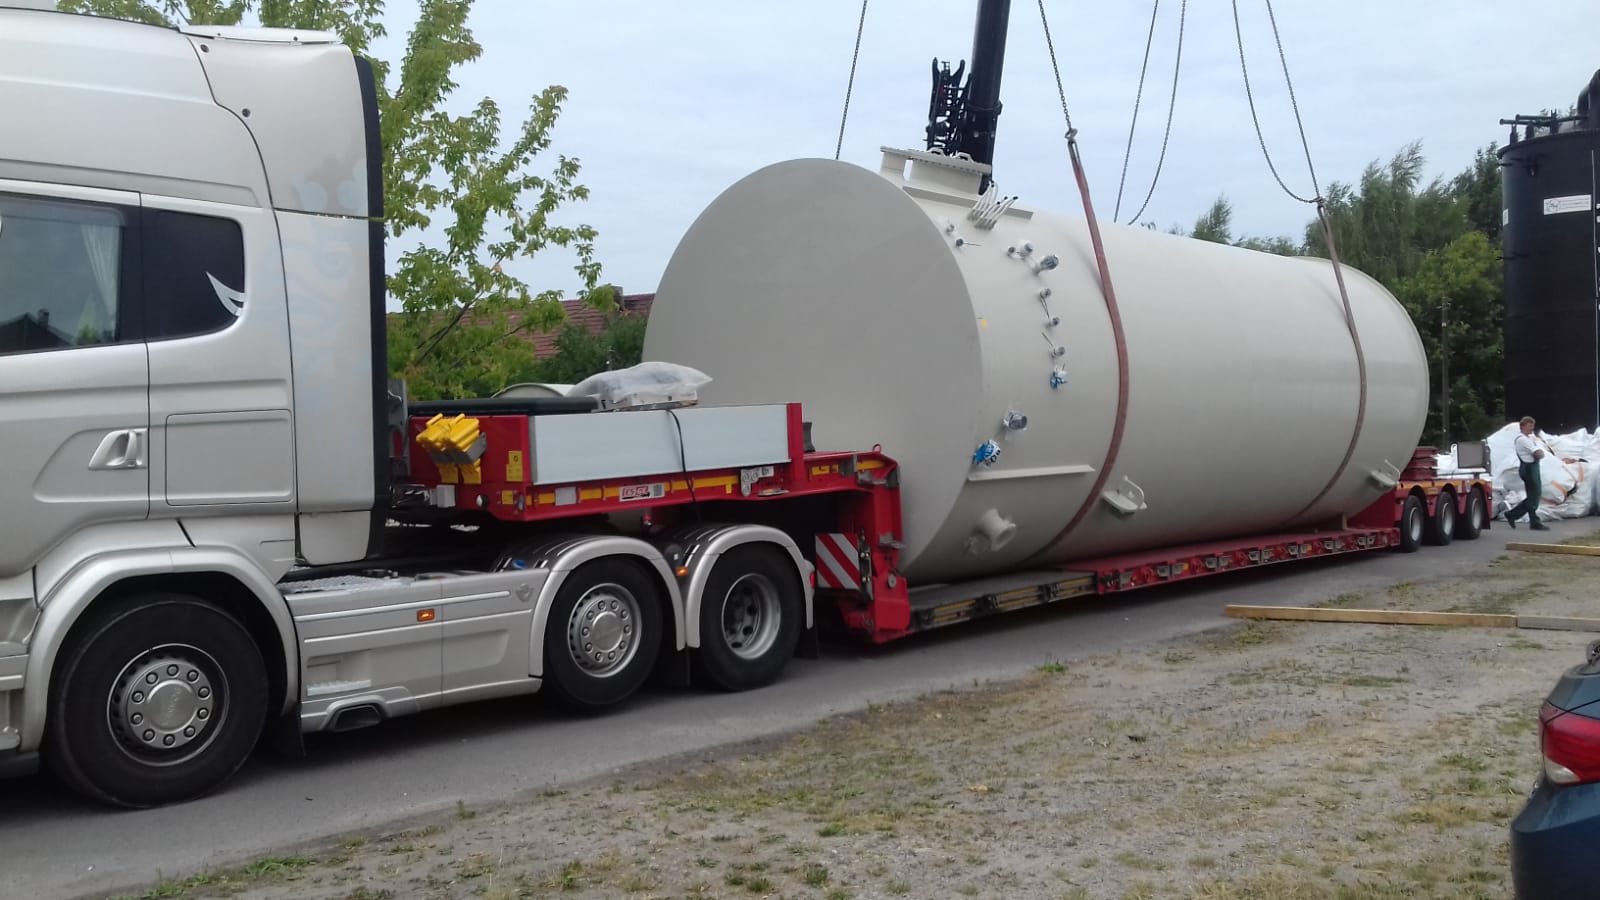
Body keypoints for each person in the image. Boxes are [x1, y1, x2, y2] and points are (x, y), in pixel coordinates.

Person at [1505, 416, 1550, 530]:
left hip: (1530, 468)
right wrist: (1539, 453)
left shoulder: (1528, 438)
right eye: (1530, 426)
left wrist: (1539, 452)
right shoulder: (1522, 439)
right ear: (1523, 426)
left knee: (1533, 496)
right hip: (1529, 469)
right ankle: (1531, 520)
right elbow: (1538, 453)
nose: (1532, 428)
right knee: (1534, 496)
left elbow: (1538, 452)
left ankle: (1520, 517)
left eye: (1533, 426)